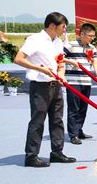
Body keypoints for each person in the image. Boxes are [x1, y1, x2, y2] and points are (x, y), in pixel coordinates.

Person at [14, 12, 76, 167]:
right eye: (63, 27)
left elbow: (60, 62)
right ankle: (31, 156)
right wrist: (40, 69)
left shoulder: (58, 42)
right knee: (38, 121)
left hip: (56, 86)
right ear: (52, 26)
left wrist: (61, 76)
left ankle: (57, 152)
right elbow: (18, 59)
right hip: (40, 86)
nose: (64, 30)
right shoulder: (35, 39)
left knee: (57, 120)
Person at [63, 23, 97, 144]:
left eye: (93, 36)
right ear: (82, 34)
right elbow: (59, 57)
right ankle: (73, 134)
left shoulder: (92, 47)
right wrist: (72, 62)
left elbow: (95, 62)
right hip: (73, 82)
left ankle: (79, 130)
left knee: (83, 108)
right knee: (74, 108)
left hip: (86, 81)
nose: (92, 38)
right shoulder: (70, 45)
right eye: (90, 36)